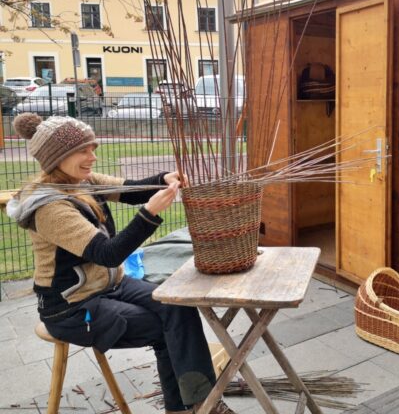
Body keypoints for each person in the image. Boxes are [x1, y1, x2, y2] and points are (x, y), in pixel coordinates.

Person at [7, 113, 234, 414]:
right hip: (71, 307)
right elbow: (108, 253)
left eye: (93, 148)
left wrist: (163, 179)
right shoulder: (49, 207)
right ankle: (196, 406)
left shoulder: (81, 182)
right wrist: (149, 214)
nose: (93, 158)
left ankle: (198, 405)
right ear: (56, 157)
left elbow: (130, 189)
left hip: (109, 286)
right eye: (84, 150)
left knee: (178, 307)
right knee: (168, 327)